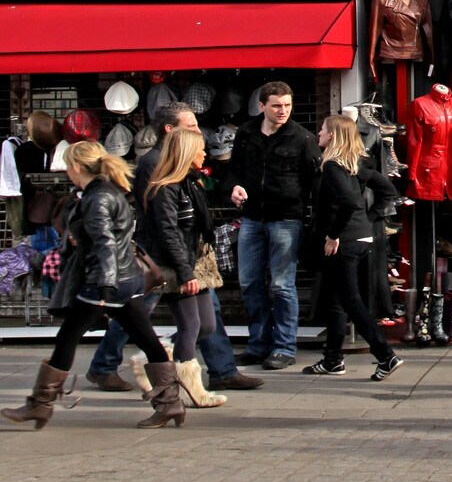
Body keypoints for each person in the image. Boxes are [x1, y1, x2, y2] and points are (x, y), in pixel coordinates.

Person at [2, 139, 182, 430]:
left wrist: (104, 285)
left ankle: (40, 404)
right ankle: (171, 403)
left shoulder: (97, 198)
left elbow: (105, 244)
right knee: (146, 337)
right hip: (125, 280)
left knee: (67, 337)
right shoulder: (100, 192)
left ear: (75, 167)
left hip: (106, 281)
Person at [87, 102, 261, 395]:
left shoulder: (185, 169)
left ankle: (221, 370)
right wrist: (182, 265)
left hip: (187, 254)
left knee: (204, 316)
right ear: (171, 130)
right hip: (163, 256)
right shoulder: (155, 165)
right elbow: (162, 221)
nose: (197, 132)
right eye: (190, 126)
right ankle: (112, 365)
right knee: (136, 312)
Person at [304, 114, 404, 381]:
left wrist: (333, 235)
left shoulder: (334, 167)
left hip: (343, 242)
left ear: (333, 135)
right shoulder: (353, 165)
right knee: (336, 300)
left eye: (323, 129)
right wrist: (369, 220)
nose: (319, 133)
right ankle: (332, 359)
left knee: (351, 302)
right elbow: (387, 190)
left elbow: (348, 202)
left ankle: (385, 355)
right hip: (359, 238)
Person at [228, 81, 319, 368]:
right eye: (277, 105)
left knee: (282, 285)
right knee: (250, 282)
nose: (283, 111)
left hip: (286, 218)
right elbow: (233, 171)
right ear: (262, 106)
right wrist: (234, 187)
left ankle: (284, 347)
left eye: (287, 106)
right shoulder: (246, 132)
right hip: (253, 216)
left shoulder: (301, 138)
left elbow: (313, 181)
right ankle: (258, 344)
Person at [141, 126, 226, 411]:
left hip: (195, 260)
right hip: (178, 264)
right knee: (191, 325)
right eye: (200, 148)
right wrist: (185, 272)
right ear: (187, 152)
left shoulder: (191, 182)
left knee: (207, 325)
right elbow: (168, 233)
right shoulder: (165, 188)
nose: (205, 153)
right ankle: (192, 388)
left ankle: (155, 356)